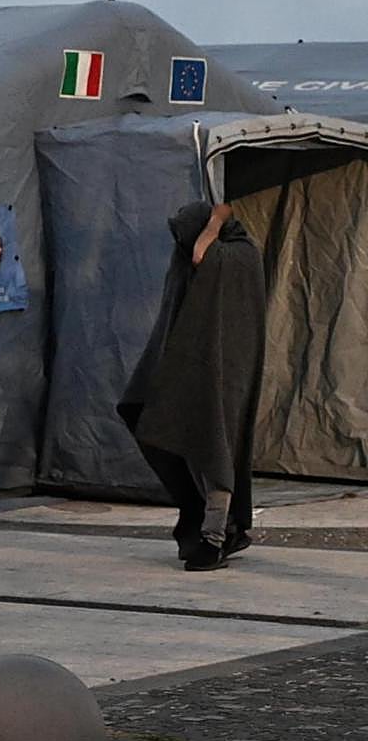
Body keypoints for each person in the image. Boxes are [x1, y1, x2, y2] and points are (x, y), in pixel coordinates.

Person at [118, 201, 266, 571]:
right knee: (154, 421)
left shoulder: (238, 255)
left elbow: (203, 254)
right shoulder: (204, 256)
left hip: (228, 373)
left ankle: (214, 538)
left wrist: (217, 216)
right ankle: (213, 524)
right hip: (195, 366)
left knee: (215, 448)